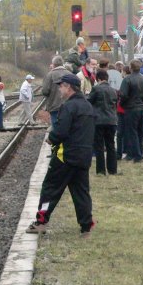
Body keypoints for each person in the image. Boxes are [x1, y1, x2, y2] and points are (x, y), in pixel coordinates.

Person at [26, 74, 95, 236]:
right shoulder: (88, 106)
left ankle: (41, 222)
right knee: (81, 191)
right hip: (83, 156)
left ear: (69, 87)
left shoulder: (68, 107)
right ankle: (86, 226)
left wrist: (51, 139)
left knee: (50, 189)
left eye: (61, 86)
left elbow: (62, 131)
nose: (59, 89)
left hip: (65, 156)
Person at [119, 60, 143, 162]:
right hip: (141, 107)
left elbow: (123, 95)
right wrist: (142, 101)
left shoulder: (127, 79)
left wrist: (123, 104)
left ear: (130, 68)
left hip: (131, 108)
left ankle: (135, 155)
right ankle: (138, 153)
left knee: (131, 132)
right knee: (140, 132)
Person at [88, 70, 118, 175]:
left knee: (99, 146)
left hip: (99, 121)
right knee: (111, 145)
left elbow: (89, 101)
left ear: (98, 79)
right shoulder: (113, 90)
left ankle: (101, 170)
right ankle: (112, 169)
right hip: (111, 121)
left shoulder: (96, 89)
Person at [42, 56, 72, 129]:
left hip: (54, 106)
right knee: (66, 126)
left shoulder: (50, 75)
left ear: (53, 64)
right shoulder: (69, 74)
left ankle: (57, 139)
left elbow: (45, 91)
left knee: (56, 127)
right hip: (68, 106)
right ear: (62, 63)